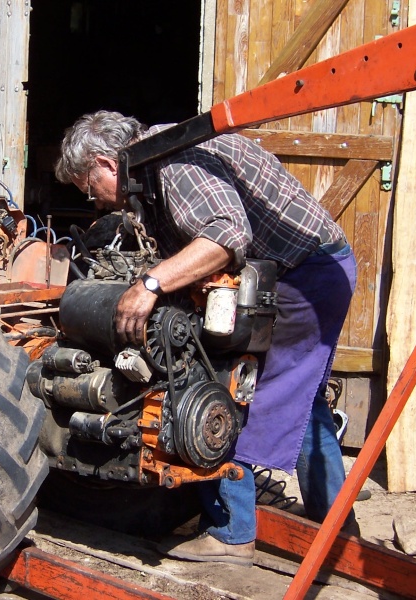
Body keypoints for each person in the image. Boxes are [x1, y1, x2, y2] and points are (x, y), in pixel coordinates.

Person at [55, 110, 358, 566]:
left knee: (221, 386)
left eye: (89, 187)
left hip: (304, 275)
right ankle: (336, 524)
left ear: (105, 162)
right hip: (312, 268)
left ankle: (232, 534)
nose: (95, 200)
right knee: (304, 399)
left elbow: (226, 235)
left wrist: (149, 285)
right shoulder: (155, 161)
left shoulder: (174, 159)